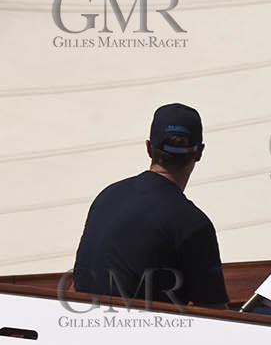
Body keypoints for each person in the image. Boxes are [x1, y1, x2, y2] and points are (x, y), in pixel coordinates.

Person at [73, 103, 229, 308]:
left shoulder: (107, 196)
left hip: (82, 327)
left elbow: (79, 281)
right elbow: (214, 312)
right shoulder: (193, 223)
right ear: (199, 153)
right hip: (140, 335)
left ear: (148, 148)